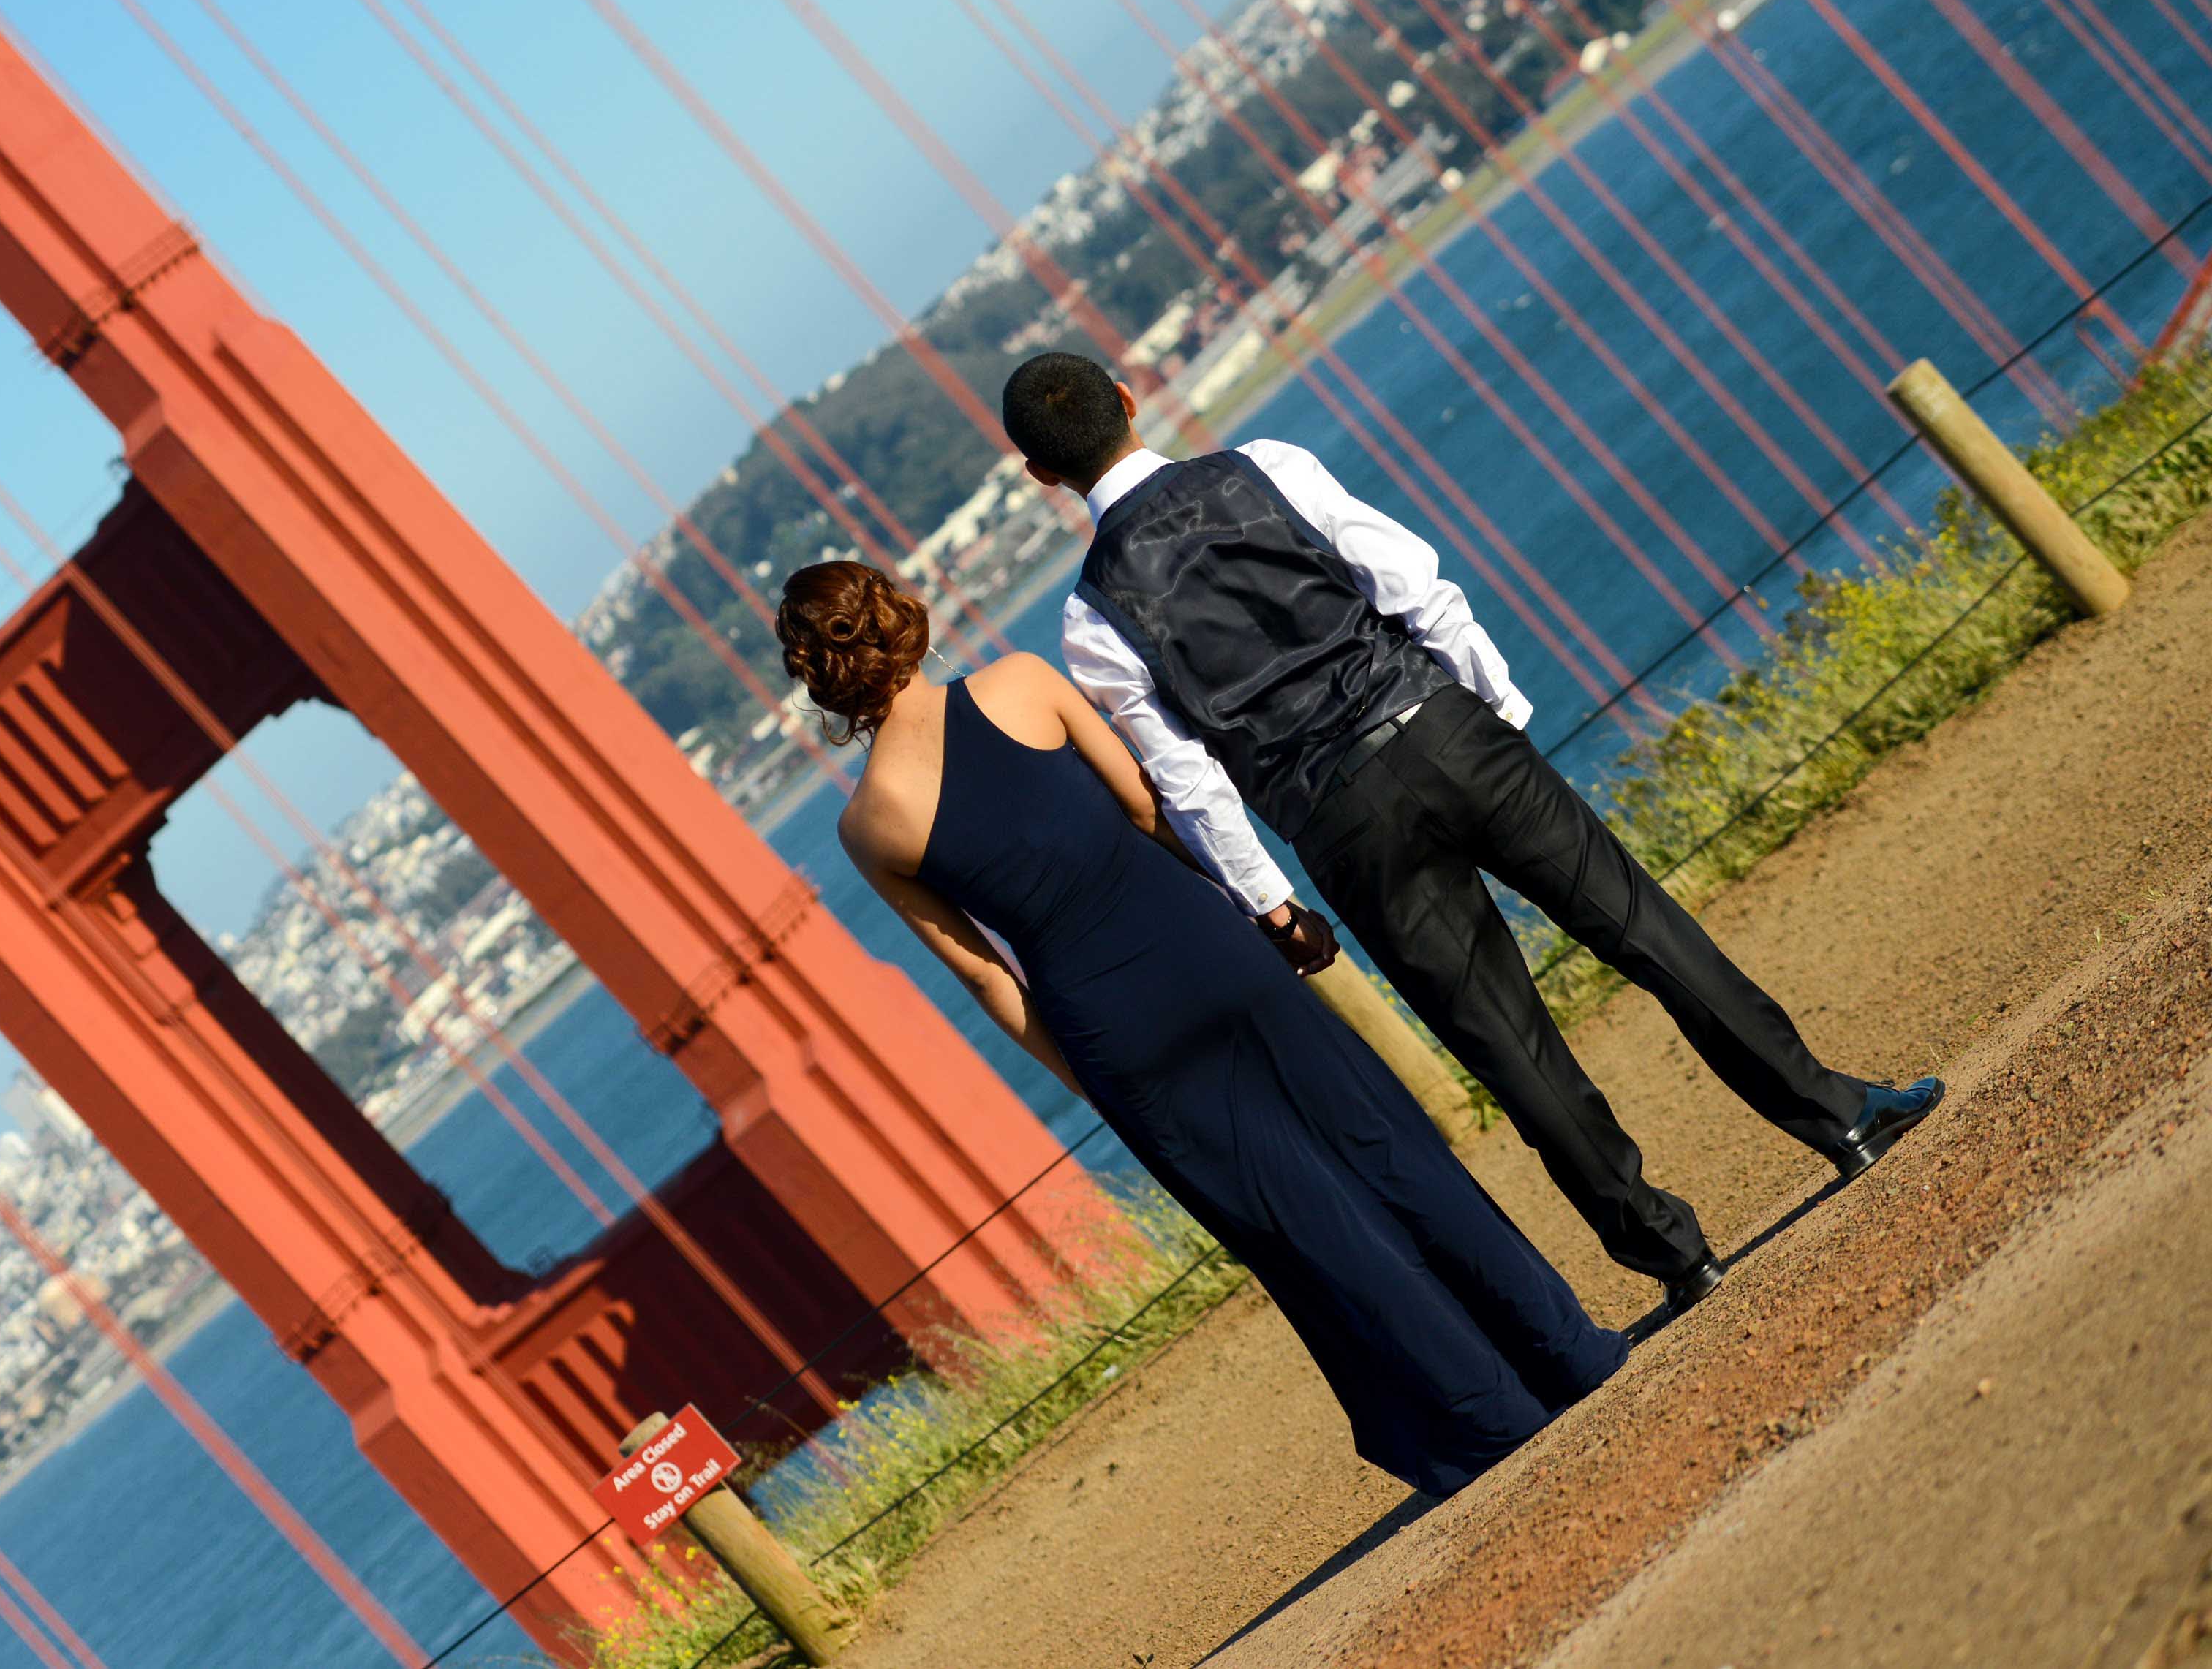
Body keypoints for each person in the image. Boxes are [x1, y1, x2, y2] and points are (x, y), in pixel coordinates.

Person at [997, 350, 1942, 1317]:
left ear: (1041, 475)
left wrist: (1272, 906)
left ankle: (1671, 1253)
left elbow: (1190, 782)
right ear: (1127, 399)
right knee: (1644, 930)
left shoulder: (1091, 618)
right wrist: (1492, 707)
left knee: (1505, 1039)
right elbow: (1414, 584)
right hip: (1443, 729)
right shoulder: (1266, 465)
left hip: (1336, 819)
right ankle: (1839, 1119)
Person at [791, 561, 1626, 1499]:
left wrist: (1088, 1076)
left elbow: (989, 975)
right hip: (1204, 946)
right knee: (1385, 1144)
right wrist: (1266, 912)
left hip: (1114, 1031)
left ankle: (1486, 1417)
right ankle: (1567, 1352)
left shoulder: (870, 825)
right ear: (903, 618)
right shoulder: (1020, 682)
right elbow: (1151, 807)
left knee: (1302, 1228)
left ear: (819, 679)